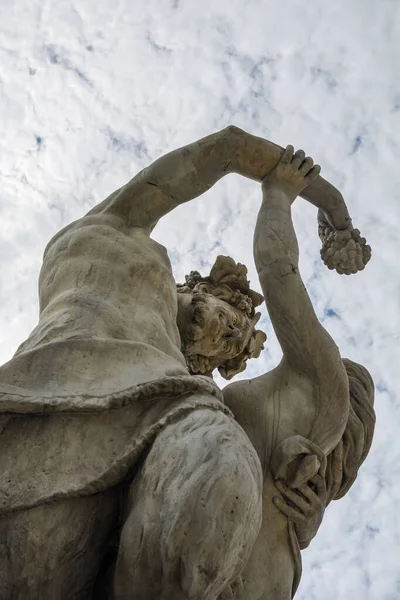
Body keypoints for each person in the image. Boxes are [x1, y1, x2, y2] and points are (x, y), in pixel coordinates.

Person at [0, 127, 369, 599]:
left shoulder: (201, 407)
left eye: (233, 348)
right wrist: (307, 191)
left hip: (160, 438)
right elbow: (222, 149)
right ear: (192, 288)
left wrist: (302, 511)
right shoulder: (115, 244)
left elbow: (274, 471)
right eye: (232, 317)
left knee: (221, 458)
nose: (232, 335)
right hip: (42, 410)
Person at [221, 146, 375, 599]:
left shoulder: (317, 383)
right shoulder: (310, 440)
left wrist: (280, 193)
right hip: (268, 569)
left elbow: (277, 269)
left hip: (225, 552)